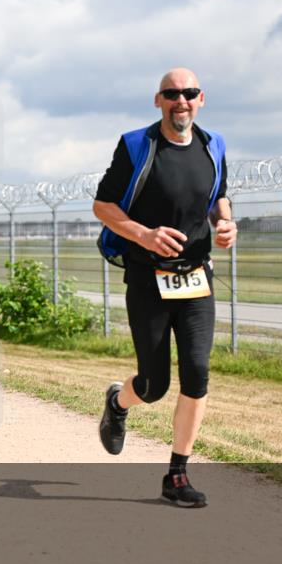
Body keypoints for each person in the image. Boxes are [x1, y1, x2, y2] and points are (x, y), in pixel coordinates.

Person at [93, 67, 237, 508]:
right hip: (146, 275)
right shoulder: (137, 145)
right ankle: (119, 402)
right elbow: (103, 205)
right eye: (172, 93)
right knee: (154, 385)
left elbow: (218, 197)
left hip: (196, 277)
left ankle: (176, 474)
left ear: (201, 98)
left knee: (197, 372)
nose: (182, 101)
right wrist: (144, 234)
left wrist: (226, 222)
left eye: (189, 93)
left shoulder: (214, 146)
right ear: (158, 101)